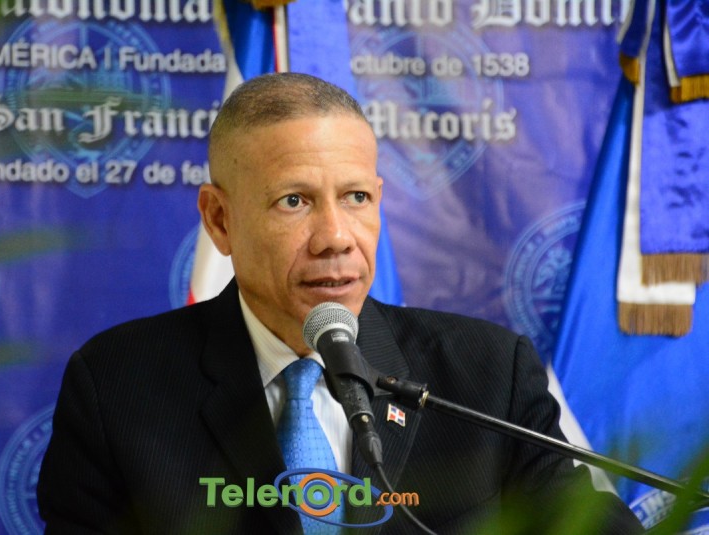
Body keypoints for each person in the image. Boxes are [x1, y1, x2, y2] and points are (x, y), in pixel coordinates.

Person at [37, 72, 644, 534]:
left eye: (356, 197)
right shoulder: (117, 387)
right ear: (219, 220)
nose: (336, 237)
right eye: (294, 201)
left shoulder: (487, 374)